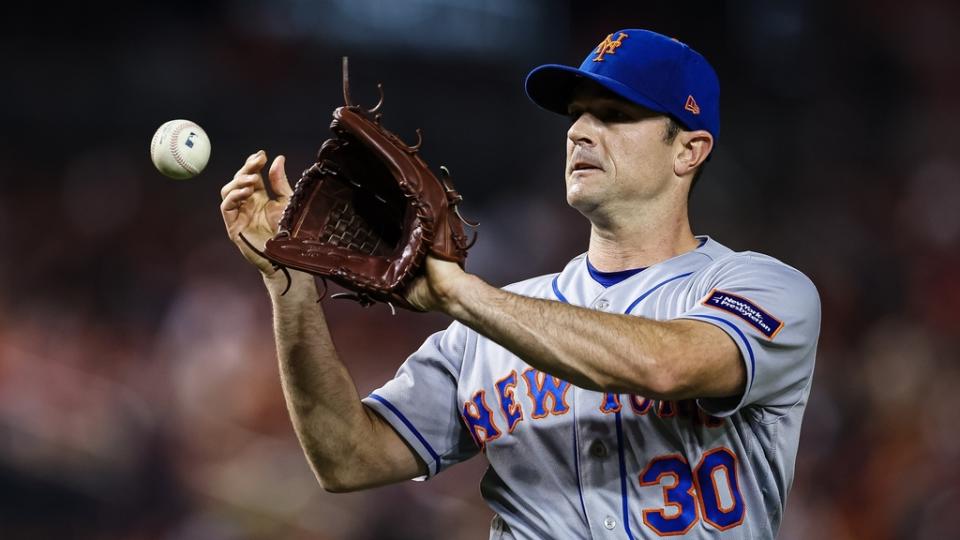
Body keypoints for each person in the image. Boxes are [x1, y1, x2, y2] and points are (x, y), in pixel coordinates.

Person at [220, 28, 821, 539]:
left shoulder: (764, 288)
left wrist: (463, 293)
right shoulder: (487, 326)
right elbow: (346, 458)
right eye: (577, 114)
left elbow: (663, 365)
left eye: (614, 115)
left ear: (688, 150)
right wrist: (290, 286)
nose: (581, 132)